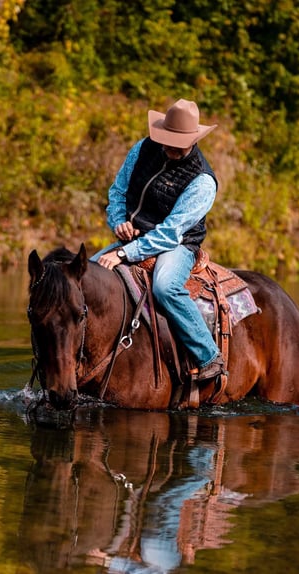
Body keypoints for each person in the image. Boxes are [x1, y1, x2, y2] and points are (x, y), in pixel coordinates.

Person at [91, 98, 224, 382]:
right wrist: (119, 222)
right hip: (134, 236)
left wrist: (124, 254)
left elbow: (170, 233)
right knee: (87, 278)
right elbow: (118, 191)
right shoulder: (141, 149)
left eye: (175, 144)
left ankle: (208, 355)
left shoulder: (202, 181)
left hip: (177, 245)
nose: (167, 148)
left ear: (192, 141)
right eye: (165, 140)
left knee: (165, 287)